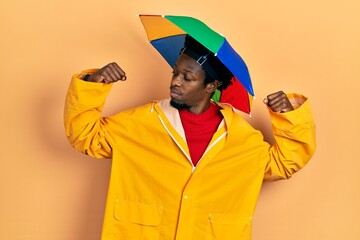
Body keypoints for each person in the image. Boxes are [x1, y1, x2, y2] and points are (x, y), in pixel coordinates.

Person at [64, 35, 316, 240]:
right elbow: (85, 136)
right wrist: (93, 84)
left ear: (210, 86)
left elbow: (285, 162)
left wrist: (288, 114)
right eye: (175, 72)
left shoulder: (241, 139)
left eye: (188, 77)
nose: (175, 82)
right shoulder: (140, 122)